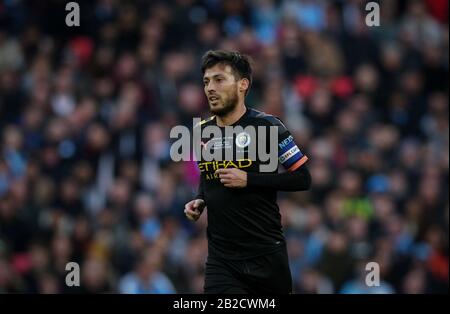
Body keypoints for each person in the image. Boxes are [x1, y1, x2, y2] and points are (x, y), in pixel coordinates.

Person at [184, 50, 311, 294]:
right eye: (206, 82)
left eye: (219, 80)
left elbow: (303, 178)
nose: (210, 87)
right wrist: (201, 198)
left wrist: (249, 179)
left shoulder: (268, 126)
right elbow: (209, 176)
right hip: (222, 259)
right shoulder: (202, 131)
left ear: (243, 85)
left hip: (266, 255)